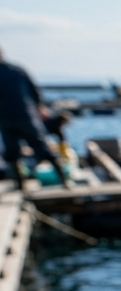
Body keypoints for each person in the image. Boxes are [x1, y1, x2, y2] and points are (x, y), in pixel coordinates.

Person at [0, 45, 70, 189]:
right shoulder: (18, 70)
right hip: (26, 115)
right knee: (41, 147)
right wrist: (40, 106)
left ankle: (20, 186)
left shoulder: (17, 70)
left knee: (12, 152)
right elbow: (34, 90)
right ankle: (65, 182)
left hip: (6, 118)